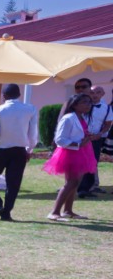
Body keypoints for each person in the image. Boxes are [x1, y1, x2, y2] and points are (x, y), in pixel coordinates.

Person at [0, 84, 38, 222]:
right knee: (13, 182)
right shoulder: (30, 109)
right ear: (19, 95)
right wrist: (29, 149)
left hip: (0, 149)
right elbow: (33, 134)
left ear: (3, 95)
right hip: (19, 150)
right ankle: (6, 212)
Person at [43, 93, 98, 221]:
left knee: (75, 183)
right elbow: (60, 139)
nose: (88, 105)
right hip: (71, 153)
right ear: (75, 105)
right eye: (84, 102)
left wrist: (88, 136)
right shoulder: (68, 118)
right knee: (72, 182)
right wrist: (78, 143)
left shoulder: (81, 117)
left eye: (89, 102)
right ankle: (55, 212)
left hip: (82, 152)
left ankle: (68, 210)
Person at [77, 85, 111, 198]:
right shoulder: (82, 106)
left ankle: (87, 188)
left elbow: (108, 124)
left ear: (103, 94)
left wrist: (99, 134)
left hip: (96, 140)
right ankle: (77, 187)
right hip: (81, 138)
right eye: (92, 92)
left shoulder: (107, 108)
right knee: (79, 163)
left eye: (98, 92)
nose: (95, 95)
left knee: (92, 163)